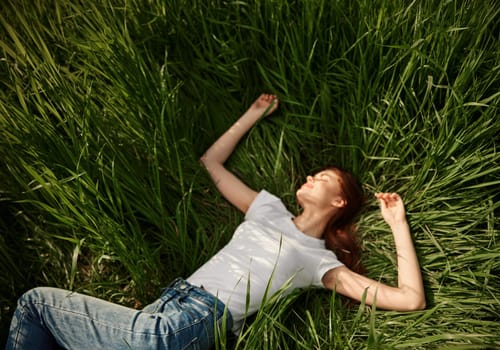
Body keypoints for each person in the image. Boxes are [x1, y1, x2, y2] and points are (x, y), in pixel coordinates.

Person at [5, 94, 425, 350]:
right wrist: (253, 113)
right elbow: (212, 163)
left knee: (36, 305)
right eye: (312, 173)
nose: (310, 177)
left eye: (323, 178)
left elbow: (409, 299)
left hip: (191, 321)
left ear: (338, 200)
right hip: (168, 306)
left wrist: (397, 223)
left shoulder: (319, 262)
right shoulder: (268, 208)